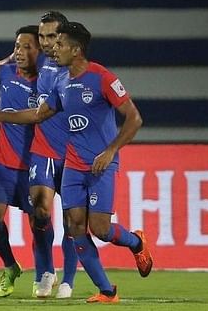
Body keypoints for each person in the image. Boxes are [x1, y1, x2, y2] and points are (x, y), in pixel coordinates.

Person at [48, 21, 152, 303]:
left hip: (101, 166)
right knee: (75, 226)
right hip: (73, 165)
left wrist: (110, 151)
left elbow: (135, 118)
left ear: (76, 49)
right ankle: (107, 291)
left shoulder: (103, 77)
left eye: (59, 44)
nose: (54, 49)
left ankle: (136, 241)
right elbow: (38, 114)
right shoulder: (60, 81)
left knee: (102, 229)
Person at [0, 11, 77, 299]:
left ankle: (67, 279)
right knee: (33, 214)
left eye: (50, 37)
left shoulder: (70, 67)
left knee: (69, 219)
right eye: (42, 37)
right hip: (26, 158)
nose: (46, 43)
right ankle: (34, 270)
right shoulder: (11, 71)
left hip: (68, 153)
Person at [0, 25, 40, 297]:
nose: (20, 52)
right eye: (17, 46)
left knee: (38, 223)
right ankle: (10, 266)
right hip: (3, 163)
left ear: (40, 51)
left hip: (34, 166)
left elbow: (36, 116)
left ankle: (44, 272)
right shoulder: (5, 74)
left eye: (27, 46)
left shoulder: (46, 82)